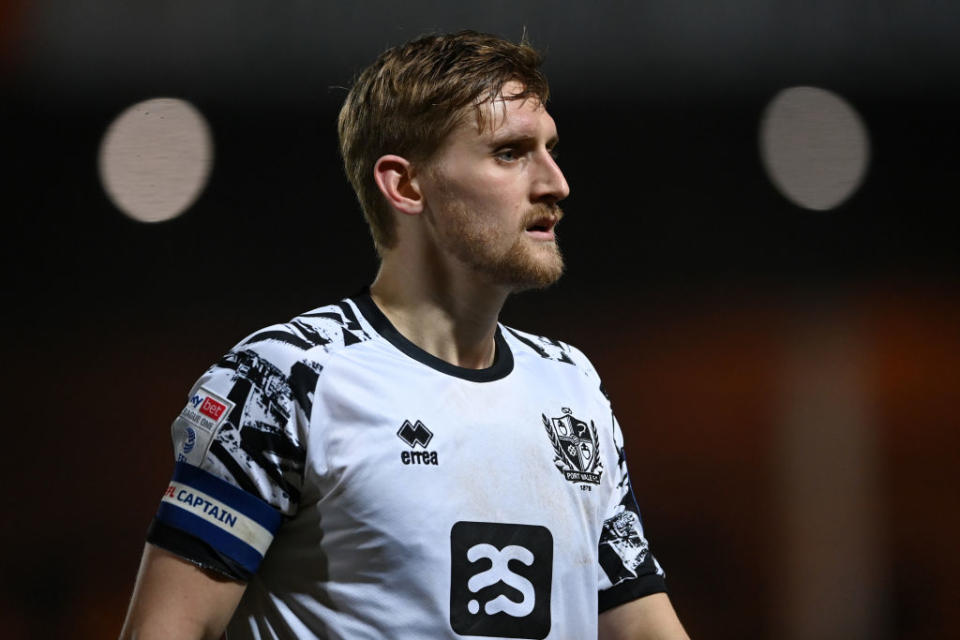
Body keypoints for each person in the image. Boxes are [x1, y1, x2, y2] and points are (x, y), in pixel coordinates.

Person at [120, 30, 690, 640]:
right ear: (406, 185)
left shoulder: (573, 384)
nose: (555, 183)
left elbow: (641, 626)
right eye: (509, 152)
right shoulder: (286, 376)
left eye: (550, 149)